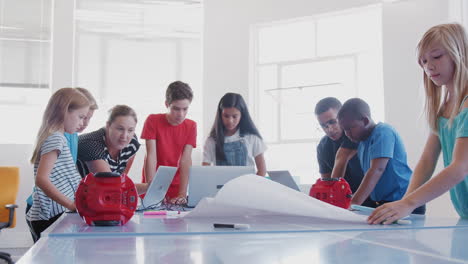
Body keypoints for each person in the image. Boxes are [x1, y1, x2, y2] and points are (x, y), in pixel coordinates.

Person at [368, 23, 468, 224]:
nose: (428, 66)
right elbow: (426, 161)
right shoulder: (444, 108)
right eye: (423, 61)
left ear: (460, 53)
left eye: (437, 56)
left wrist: (408, 204)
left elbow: (460, 167)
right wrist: (404, 203)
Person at [337, 98, 425, 214]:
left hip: (404, 200)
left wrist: (354, 203)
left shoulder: (383, 132)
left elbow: (377, 169)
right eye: (344, 130)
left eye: (350, 128)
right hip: (383, 202)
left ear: (365, 121)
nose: (347, 134)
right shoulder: (362, 142)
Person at [26, 88, 90, 242]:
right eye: (80, 117)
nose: (82, 123)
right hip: (50, 215)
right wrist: (72, 205)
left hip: (56, 213)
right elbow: (41, 179)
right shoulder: (56, 139)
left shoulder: (58, 137)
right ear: (65, 111)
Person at [141, 81, 197, 204]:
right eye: (176, 109)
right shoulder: (152, 120)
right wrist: (151, 188)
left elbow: (185, 160)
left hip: (176, 186)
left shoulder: (191, 126)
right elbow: (151, 155)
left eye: (185, 109)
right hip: (154, 182)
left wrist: (182, 193)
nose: (181, 114)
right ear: (167, 104)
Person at [314, 97, 372, 206]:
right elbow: (326, 183)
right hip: (344, 204)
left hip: (370, 200)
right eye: (324, 125)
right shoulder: (322, 146)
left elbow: (341, 158)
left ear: (341, 117)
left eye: (332, 122)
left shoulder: (356, 134)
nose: (329, 129)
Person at [77, 105, 146, 194]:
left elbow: (121, 181)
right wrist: (148, 187)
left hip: (101, 197)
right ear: (108, 125)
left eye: (130, 130)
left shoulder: (132, 143)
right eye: (120, 129)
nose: (124, 136)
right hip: (80, 198)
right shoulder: (91, 144)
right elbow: (110, 185)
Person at [202, 93, 266, 176]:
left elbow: (262, 171)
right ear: (220, 115)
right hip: (220, 188)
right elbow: (204, 172)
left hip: (247, 186)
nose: (230, 121)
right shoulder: (212, 140)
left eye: (235, 116)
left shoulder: (252, 138)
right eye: (226, 116)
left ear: (242, 115)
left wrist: (253, 186)